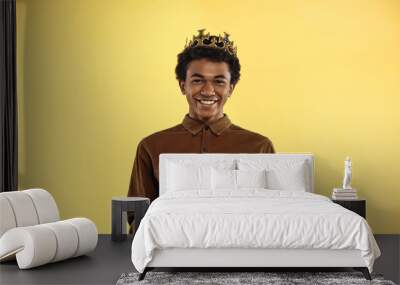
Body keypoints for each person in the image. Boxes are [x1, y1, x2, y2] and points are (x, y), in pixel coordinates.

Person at [127, 29, 275, 230]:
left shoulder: (259, 146)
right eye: (197, 80)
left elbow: (272, 216)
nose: (208, 91)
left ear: (231, 87)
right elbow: (138, 220)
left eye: (219, 81)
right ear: (182, 85)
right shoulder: (151, 146)